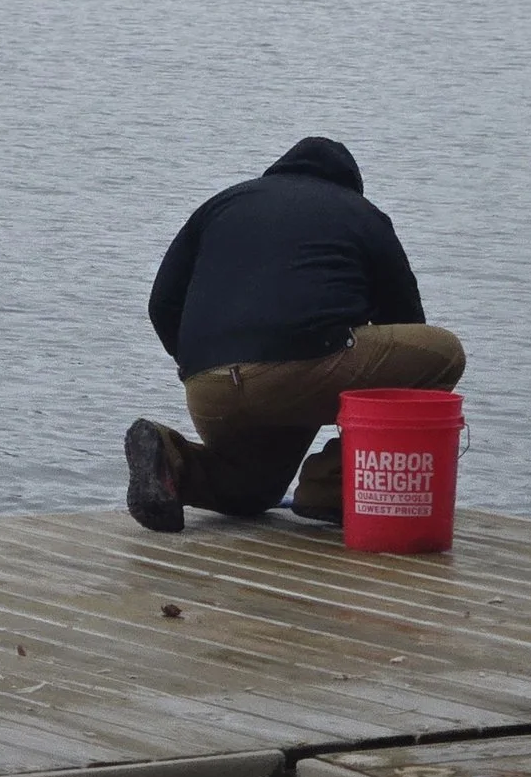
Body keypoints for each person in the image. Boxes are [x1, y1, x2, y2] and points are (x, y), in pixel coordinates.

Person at [123, 136, 465, 532]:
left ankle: (171, 458)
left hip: (207, 385)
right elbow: (408, 325)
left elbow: (161, 304)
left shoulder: (222, 204)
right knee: (443, 355)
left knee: (252, 492)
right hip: (300, 369)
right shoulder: (360, 212)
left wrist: (196, 363)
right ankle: (334, 483)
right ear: (348, 183)